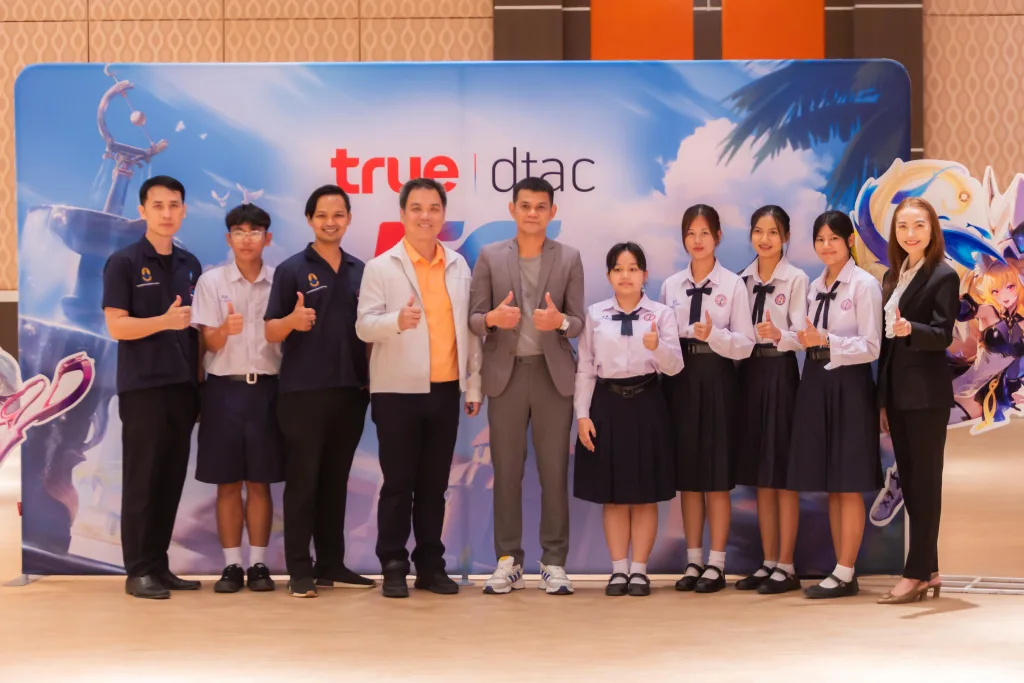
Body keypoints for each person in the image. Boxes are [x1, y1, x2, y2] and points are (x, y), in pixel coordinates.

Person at [356, 177, 483, 599]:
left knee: (434, 485)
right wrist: (396, 321)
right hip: (395, 391)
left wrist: (473, 385)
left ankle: (430, 565)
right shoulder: (380, 267)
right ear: (402, 214)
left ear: (443, 215)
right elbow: (363, 326)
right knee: (397, 484)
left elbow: (469, 332)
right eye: (416, 208)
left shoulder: (458, 266)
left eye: (433, 208)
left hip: (445, 389)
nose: (425, 216)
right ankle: (393, 564)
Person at [468, 177, 584, 596]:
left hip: (553, 377)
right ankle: (508, 561)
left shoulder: (569, 257)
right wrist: (493, 319)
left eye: (540, 206)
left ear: (552, 212)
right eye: (525, 205)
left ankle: (554, 562)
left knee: (554, 472)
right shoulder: (490, 256)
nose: (532, 213)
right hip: (506, 375)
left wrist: (561, 322)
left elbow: (578, 322)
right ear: (512, 209)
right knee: (506, 472)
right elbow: (474, 319)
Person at [264, 185, 374, 598]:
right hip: (303, 392)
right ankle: (299, 568)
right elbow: (270, 330)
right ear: (310, 220)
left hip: (351, 391)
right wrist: (291, 322)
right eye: (323, 215)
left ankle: (331, 563)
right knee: (304, 481)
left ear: (349, 219)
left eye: (338, 215)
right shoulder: (291, 269)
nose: (331, 222)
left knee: (335, 480)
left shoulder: (361, 270)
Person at [102, 175, 202, 599]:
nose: (166, 213)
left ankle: (159, 565)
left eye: (174, 205)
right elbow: (116, 326)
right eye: (158, 205)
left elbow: (196, 331)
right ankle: (138, 570)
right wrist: (164, 321)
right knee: (142, 479)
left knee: (170, 479)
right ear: (142, 211)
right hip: (143, 388)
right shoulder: (123, 262)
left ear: (184, 211)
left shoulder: (190, 264)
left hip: (183, 387)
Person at [575, 242, 683, 597]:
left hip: (648, 403)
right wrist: (582, 415)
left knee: (645, 495)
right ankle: (618, 570)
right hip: (606, 405)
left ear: (644, 275)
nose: (626, 275)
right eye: (618, 269)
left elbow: (675, 366)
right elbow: (585, 368)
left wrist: (657, 347)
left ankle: (639, 571)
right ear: (609, 275)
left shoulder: (661, 314)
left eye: (633, 268)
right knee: (614, 495)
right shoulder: (595, 315)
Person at [787, 210, 883, 599]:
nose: (826, 246)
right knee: (831, 482)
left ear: (850, 242)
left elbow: (872, 346)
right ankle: (840, 570)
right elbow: (806, 336)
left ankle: (846, 571)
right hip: (815, 382)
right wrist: (783, 336)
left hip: (849, 385)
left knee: (849, 482)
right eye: (820, 239)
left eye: (834, 239)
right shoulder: (813, 286)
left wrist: (827, 341)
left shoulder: (864, 285)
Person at [660, 204, 755, 594]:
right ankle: (693, 559)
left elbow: (745, 345)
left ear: (718, 236)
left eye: (704, 233)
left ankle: (717, 564)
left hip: (718, 378)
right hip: (680, 380)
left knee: (715, 477)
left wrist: (713, 334)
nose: (697, 240)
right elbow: (665, 340)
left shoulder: (732, 285)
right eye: (690, 233)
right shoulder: (671, 286)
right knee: (689, 478)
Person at [191, 203, 283, 593]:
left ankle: (259, 564)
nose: (247, 239)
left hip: (268, 389)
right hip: (222, 390)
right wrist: (223, 331)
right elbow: (206, 342)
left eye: (255, 231)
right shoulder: (211, 282)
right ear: (229, 239)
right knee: (227, 482)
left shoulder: (281, 281)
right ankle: (231, 566)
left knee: (260, 481)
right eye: (240, 232)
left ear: (268, 238)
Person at [877, 197, 958, 604]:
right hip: (898, 395)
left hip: (926, 396)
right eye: (903, 226)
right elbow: (885, 347)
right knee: (911, 484)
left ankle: (915, 575)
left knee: (925, 485)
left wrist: (912, 329)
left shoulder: (943, 275)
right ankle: (932, 570)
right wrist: (882, 400)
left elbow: (943, 334)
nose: (910, 233)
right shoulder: (893, 276)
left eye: (919, 225)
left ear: (932, 230)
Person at [734, 206, 808, 595]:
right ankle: (767, 561)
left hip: (781, 373)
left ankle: (787, 565)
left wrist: (780, 335)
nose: (765, 239)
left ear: (785, 237)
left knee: (782, 475)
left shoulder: (796, 278)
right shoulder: (740, 280)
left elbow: (801, 334)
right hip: (749, 373)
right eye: (759, 231)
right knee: (760, 475)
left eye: (773, 232)